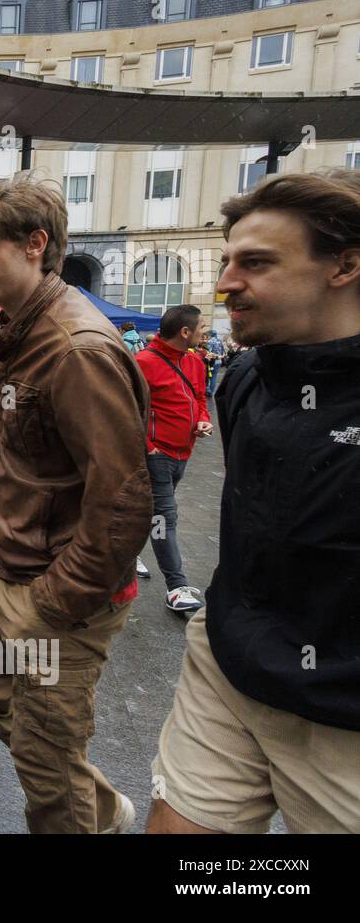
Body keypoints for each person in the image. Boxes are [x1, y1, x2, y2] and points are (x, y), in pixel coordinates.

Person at [148, 169, 360, 834]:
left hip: (342, 719)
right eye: (228, 261)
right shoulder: (242, 377)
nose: (225, 283)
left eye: (257, 263)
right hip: (227, 664)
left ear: (345, 266)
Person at [0, 173, 152, 834]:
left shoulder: (76, 347)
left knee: (46, 785)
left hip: (57, 592)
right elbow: (42, 438)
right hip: (5, 569)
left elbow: (123, 503)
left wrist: (53, 604)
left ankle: (73, 795)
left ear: (36, 244)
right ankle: (89, 793)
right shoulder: (23, 331)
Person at [134, 304, 213, 613]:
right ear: (185, 332)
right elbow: (128, 409)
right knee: (164, 518)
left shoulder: (193, 361)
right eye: (202, 327)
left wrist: (202, 420)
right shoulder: (143, 362)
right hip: (157, 456)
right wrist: (148, 444)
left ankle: (126, 559)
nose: (205, 332)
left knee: (150, 513)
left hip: (183, 453)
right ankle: (176, 586)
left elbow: (199, 398)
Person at [203, 328, 226, 397]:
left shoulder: (210, 341)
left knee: (208, 375)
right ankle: (211, 391)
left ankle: (208, 391)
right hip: (219, 360)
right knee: (214, 376)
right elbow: (223, 350)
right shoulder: (219, 340)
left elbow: (208, 351)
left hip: (212, 360)